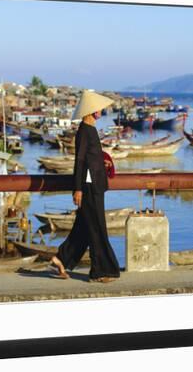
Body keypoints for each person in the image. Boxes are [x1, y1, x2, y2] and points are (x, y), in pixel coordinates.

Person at [50, 91, 121, 283]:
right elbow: (80, 161)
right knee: (97, 228)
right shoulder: (84, 130)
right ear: (91, 111)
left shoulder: (91, 129)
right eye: (98, 109)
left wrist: (103, 163)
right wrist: (78, 189)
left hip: (95, 184)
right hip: (89, 187)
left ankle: (61, 259)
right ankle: (100, 271)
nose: (101, 112)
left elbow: (91, 158)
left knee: (83, 228)